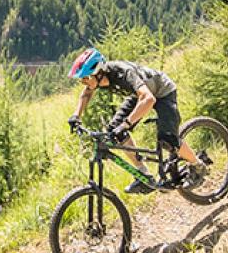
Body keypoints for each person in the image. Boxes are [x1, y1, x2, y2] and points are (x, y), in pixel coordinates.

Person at [67, 48, 207, 194]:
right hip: (139, 94)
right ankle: (144, 176)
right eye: (82, 79)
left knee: (168, 140)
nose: (83, 82)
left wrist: (126, 124)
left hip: (162, 92)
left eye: (86, 78)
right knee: (114, 131)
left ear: (98, 72)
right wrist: (76, 115)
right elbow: (87, 93)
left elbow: (149, 99)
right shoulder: (97, 80)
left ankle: (198, 166)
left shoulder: (123, 73)